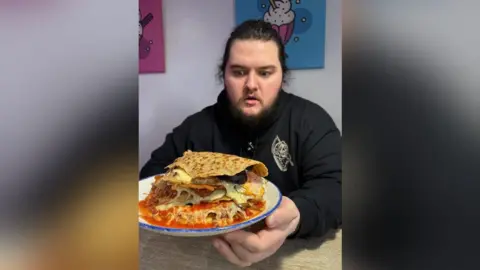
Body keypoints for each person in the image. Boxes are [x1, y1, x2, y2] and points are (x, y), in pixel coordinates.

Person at [140, 19, 342, 267]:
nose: (251, 85)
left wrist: (296, 215)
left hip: (294, 254)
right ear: (223, 75)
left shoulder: (312, 122)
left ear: (282, 76)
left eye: (265, 73)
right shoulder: (196, 128)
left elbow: (337, 186)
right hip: (202, 255)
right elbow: (150, 179)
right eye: (239, 72)